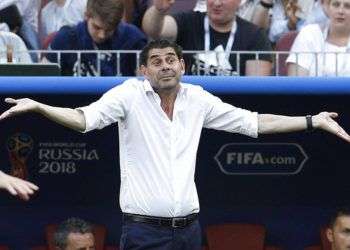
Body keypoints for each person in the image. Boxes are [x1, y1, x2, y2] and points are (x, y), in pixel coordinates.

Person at [1, 39, 350, 250]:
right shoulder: (129, 95)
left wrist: (311, 120)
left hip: (189, 231)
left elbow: (254, 123)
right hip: (142, 232)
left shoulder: (197, 99)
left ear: (182, 65)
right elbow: (83, 119)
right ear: (144, 70)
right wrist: (39, 106)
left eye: (171, 60)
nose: (165, 66)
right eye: (156, 62)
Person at [142, 0, 273, 76]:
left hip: (232, 111)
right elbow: (153, 30)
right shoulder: (188, 21)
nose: (217, 3)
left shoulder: (255, 35)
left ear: (239, 2)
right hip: (188, 109)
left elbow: (255, 86)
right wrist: (158, 10)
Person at [46, 0, 147, 76]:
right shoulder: (66, 37)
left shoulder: (133, 39)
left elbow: (146, 83)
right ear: (87, 16)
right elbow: (44, 76)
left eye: (109, 30)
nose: (102, 35)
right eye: (97, 27)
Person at [286, 0, 350, 76]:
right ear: (327, 8)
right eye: (336, 5)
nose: (340, 11)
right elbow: (296, 82)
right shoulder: (309, 33)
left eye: (347, 6)